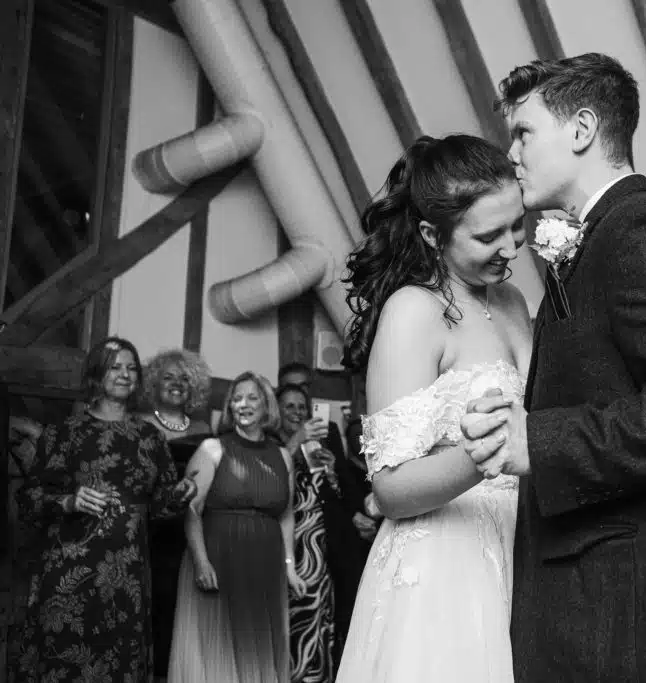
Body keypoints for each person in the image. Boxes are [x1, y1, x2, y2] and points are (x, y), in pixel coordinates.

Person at [460, 53, 646, 682]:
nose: (510, 153)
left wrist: (537, 440)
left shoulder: (645, 231)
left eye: (523, 133)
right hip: (607, 605)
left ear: (581, 131)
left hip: (644, 616)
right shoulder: (598, 238)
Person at [334, 133, 532, 682]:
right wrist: (489, 450)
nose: (511, 247)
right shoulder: (413, 311)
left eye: (517, 225)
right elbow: (391, 490)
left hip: (526, 545)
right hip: (447, 562)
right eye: (489, 234)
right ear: (431, 234)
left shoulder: (513, 302)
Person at [8, 336, 196, 683]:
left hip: (126, 578)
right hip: (69, 573)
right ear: (97, 373)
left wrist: (182, 494)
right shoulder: (65, 432)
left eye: (131, 368)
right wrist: (68, 501)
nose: (124, 374)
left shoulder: (150, 438)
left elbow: (160, 507)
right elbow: (29, 499)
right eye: (115, 367)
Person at [167, 372, 304, 683]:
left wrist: (289, 567)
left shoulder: (282, 456)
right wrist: (200, 561)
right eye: (236, 399)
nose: (243, 404)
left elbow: (285, 515)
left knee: (256, 648)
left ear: (266, 405)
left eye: (252, 398)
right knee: (216, 651)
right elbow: (191, 508)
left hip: (265, 566)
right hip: (219, 559)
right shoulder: (211, 449)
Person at [276, 382, 367, 681]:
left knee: (318, 618)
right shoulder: (269, 442)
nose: (297, 412)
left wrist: (330, 473)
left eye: (301, 407)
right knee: (284, 619)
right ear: (276, 411)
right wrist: (295, 443)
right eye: (289, 406)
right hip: (284, 545)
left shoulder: (320, 444)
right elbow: (271, 479)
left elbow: (338, 497)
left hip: (320, 548)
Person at [139, 347, 214, 681]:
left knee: (182, 610)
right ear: (155, 384)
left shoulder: (203, 427)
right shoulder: (138, 424)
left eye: (184, 378)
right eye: (168, 377)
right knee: (149, 607)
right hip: (149, 529)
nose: (177, 384)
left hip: (193, 530)